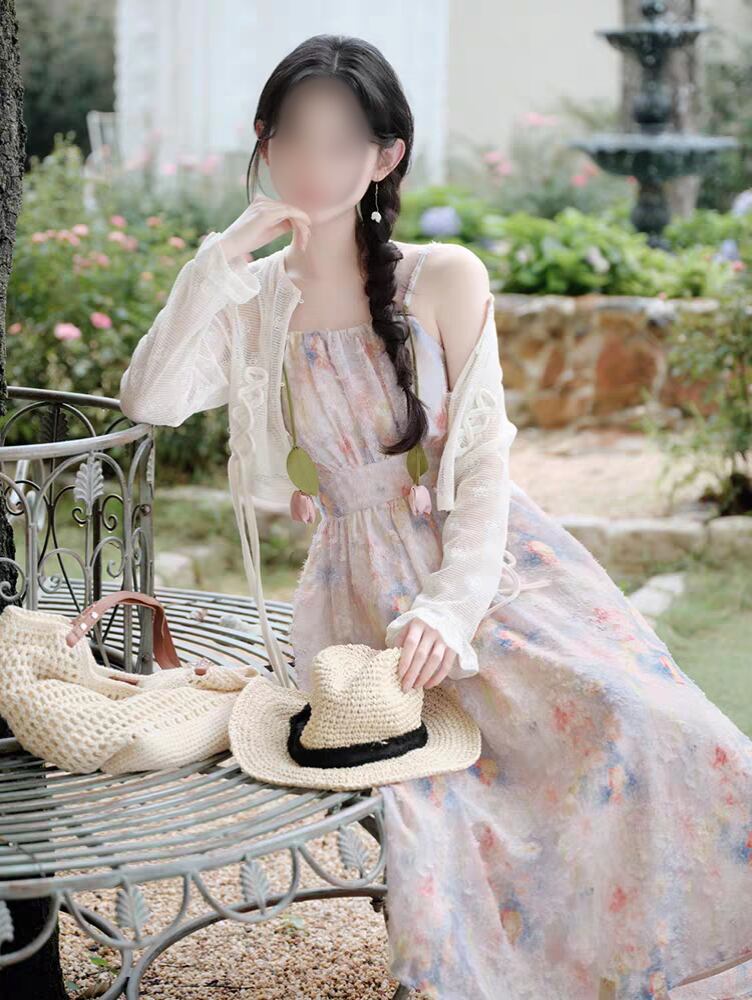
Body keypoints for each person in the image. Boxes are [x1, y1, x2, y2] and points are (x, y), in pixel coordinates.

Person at [120, 33, 752, 1000]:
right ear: (263, 142)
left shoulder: (442, 276)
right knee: (439, 804)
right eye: (294, 138)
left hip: (487, 568)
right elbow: (150, 399)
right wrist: (218, 261)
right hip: (356, 594)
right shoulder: (255, 302)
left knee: (645, 719)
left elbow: (486, 462)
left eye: (342, 142)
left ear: (386, 157)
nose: (314, 162)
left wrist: (451, 607)